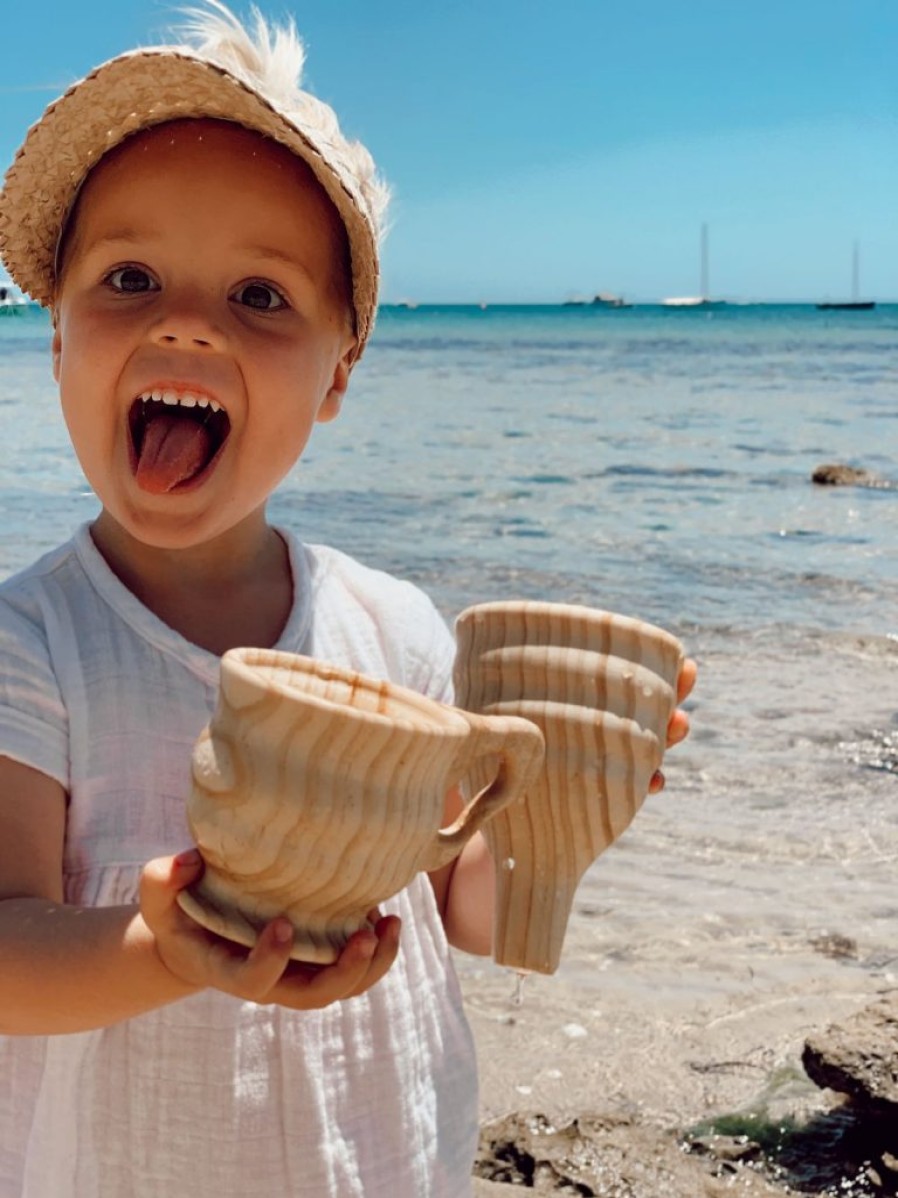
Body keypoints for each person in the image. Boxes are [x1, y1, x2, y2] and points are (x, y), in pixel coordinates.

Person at [0, 4, 696, 1195]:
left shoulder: (395, 633)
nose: (185, 319)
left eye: (261, 297)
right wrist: (167, 949)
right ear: (56, 335)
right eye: (128, 276)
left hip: (373, 1162)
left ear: (337, 372)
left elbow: (461, 910)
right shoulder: (33, 647)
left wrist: (559, 818)